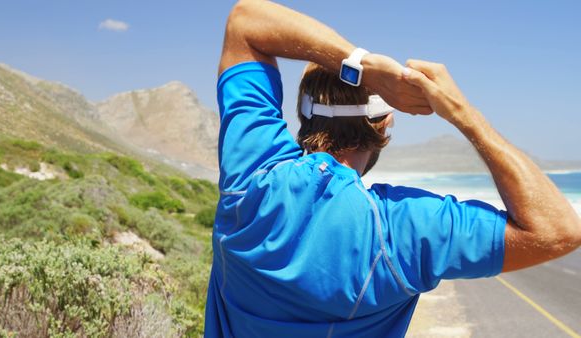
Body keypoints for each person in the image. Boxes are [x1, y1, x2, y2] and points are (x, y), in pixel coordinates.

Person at [205, 1, 581, 337]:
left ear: (303, 117)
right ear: (384, 127)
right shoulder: (401, 232)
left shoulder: (249, 182)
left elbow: (245, 20)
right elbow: (557, 230)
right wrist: (464, 116)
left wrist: (360, 64)